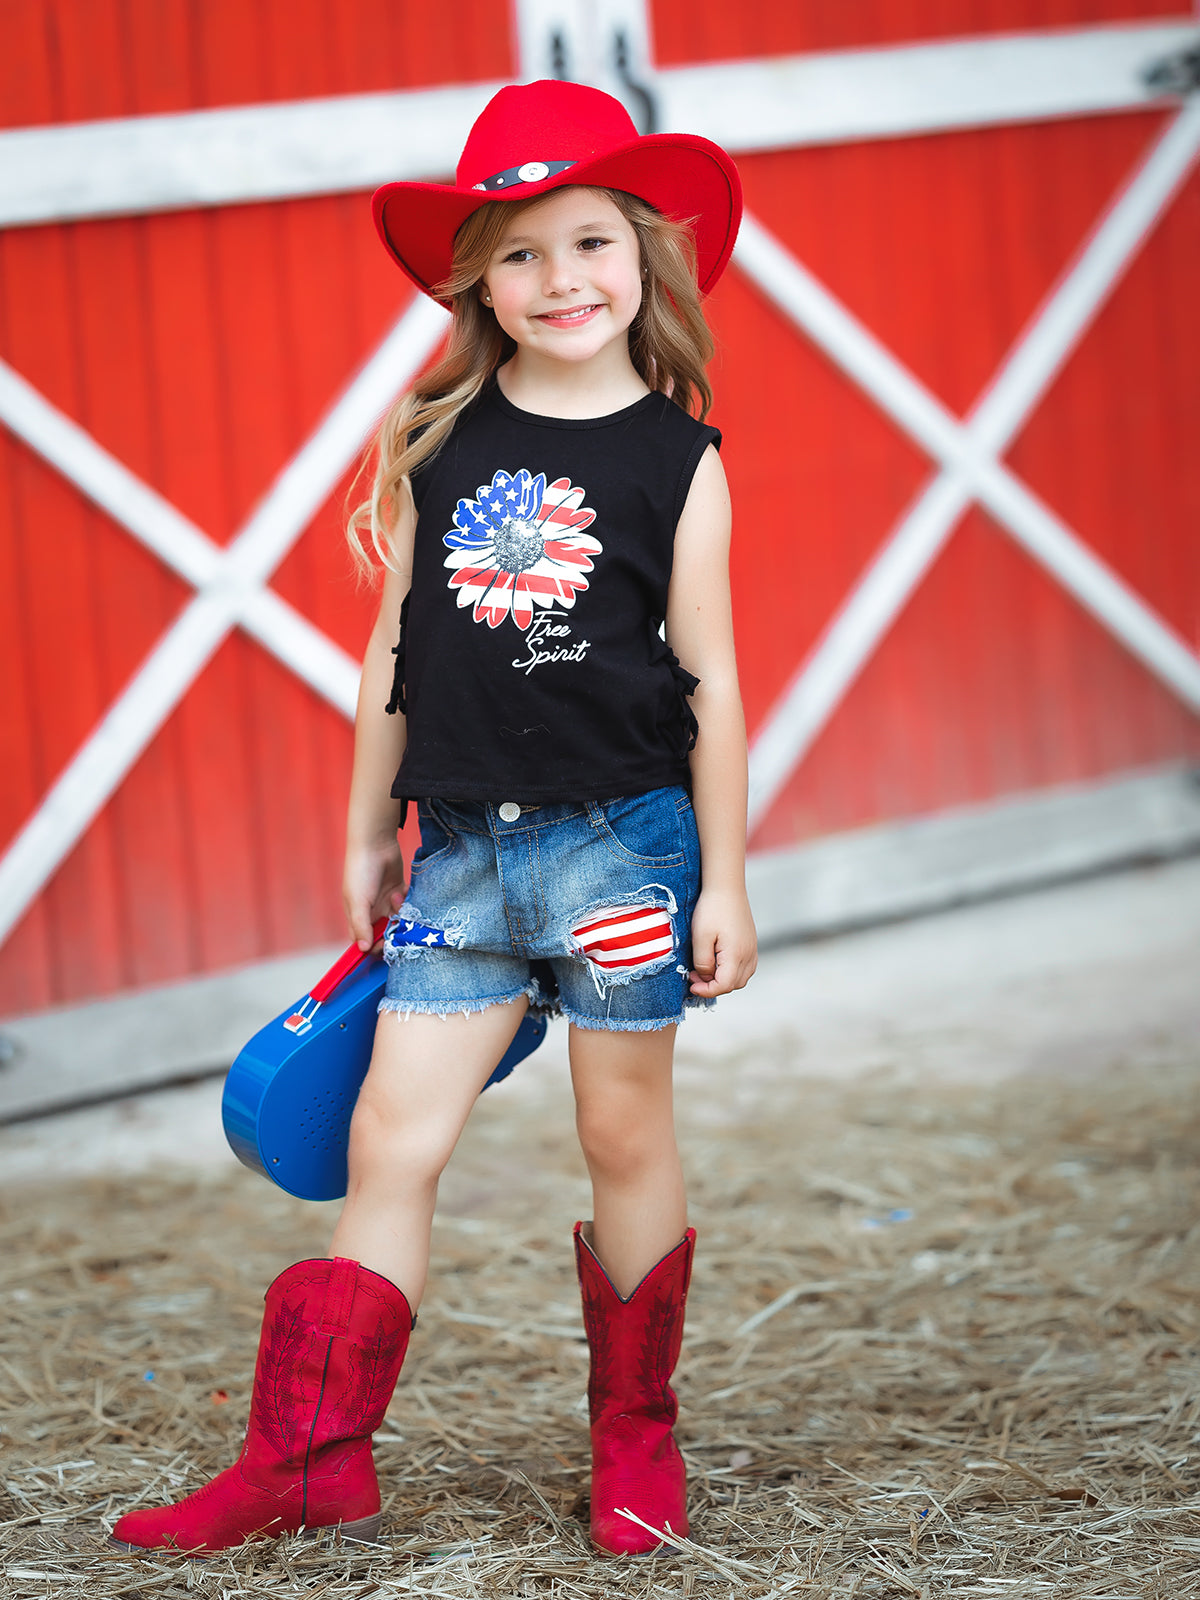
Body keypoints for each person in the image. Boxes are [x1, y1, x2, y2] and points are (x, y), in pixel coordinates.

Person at [111, 78, 757, 1560]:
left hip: (621, 849)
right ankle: (309, 1461)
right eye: (520, 253)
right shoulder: (440, 434)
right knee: (392, 1137)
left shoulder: (681, 459)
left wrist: (727, 878)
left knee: (621, 1127)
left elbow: (714, 682)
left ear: (642, 257)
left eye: (588, 242)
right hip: (460, 854)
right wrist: (361, 835)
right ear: (480, 280)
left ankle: (635, 1442)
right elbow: (391, 653)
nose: (560, 279)